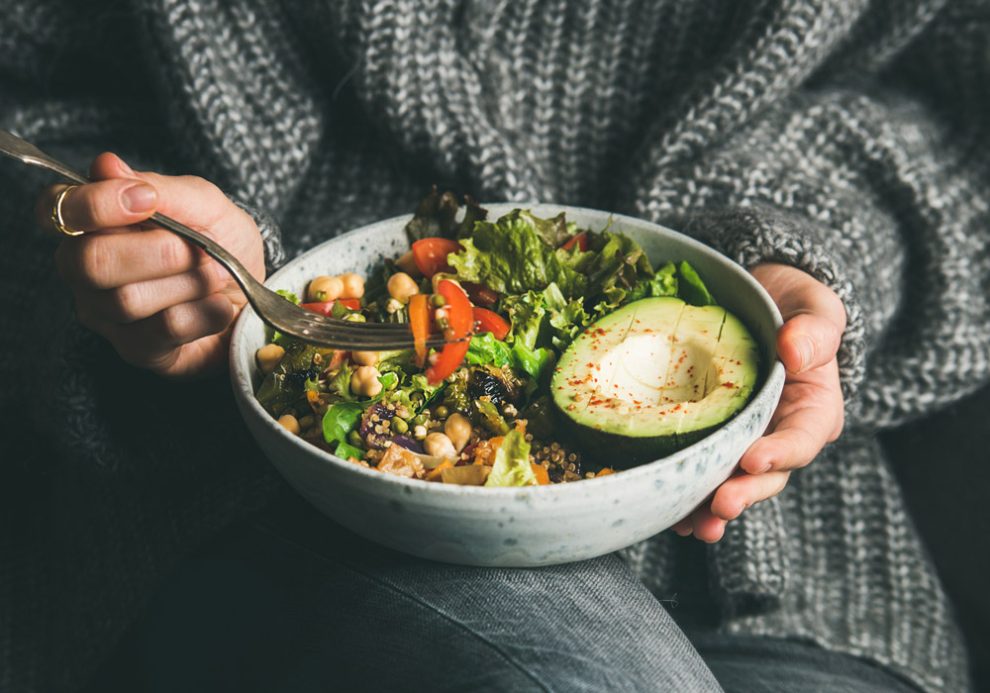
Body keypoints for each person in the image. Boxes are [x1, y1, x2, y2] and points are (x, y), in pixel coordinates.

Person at [1, 1, 986, 691]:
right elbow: (35, 89)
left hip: (798, 557)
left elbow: (961, 118)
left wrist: (810, 261)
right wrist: (143, 256)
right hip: (277, 489)